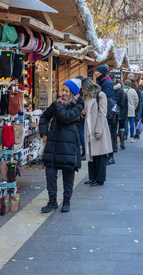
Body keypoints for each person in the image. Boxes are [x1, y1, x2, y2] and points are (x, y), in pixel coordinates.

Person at [39, 78, 85, 213]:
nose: (63, 93)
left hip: (68, 146)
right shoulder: (57, 104)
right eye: (62, 90)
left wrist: (57, 104)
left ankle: (66, 201)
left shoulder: (78, 105)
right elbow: (44, 118)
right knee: (50, 173)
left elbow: (66, 117)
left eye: (66, 91)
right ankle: (52, 201)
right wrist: (44, 134)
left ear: (72, 93)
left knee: (68, 175)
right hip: (53, 145)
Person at [80, 78, 111, 187]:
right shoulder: (87, 97)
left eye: (83, 89)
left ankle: (100, 179)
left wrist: (98, 130)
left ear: (88, 87)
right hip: (88, 128)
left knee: (100, 155)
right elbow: (85, 112)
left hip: (98, 128)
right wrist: (82, 113)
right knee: (91, 154)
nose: (83, 91)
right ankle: (92, 177)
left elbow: (102, 114)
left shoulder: (100, 95)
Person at [93, 65, 117, 165]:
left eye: (97, 71)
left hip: (106, 113)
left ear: (102, 72)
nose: (95, 73)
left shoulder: (106, 83)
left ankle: (110, 156)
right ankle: (107, 154)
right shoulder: (102, 81)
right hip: (105, 113)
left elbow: (107, 99)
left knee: (108, 134)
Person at [114, 82, 128, 150]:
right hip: (122, 112)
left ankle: (115, 144)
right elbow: (125, 105)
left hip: (114, 112)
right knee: (121, 127)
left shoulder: (112, 92)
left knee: (115, 128)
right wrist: (125, 113)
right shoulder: (124, 93)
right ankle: (122, 143)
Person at [124, 79, 139, 144]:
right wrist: (134, 107)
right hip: (131, 109)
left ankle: (125, 135)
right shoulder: (133, 91)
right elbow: (136, 100)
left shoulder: (122, 90)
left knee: (125, 123)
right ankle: (132, 137)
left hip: (124, 110)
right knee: (132, 123)